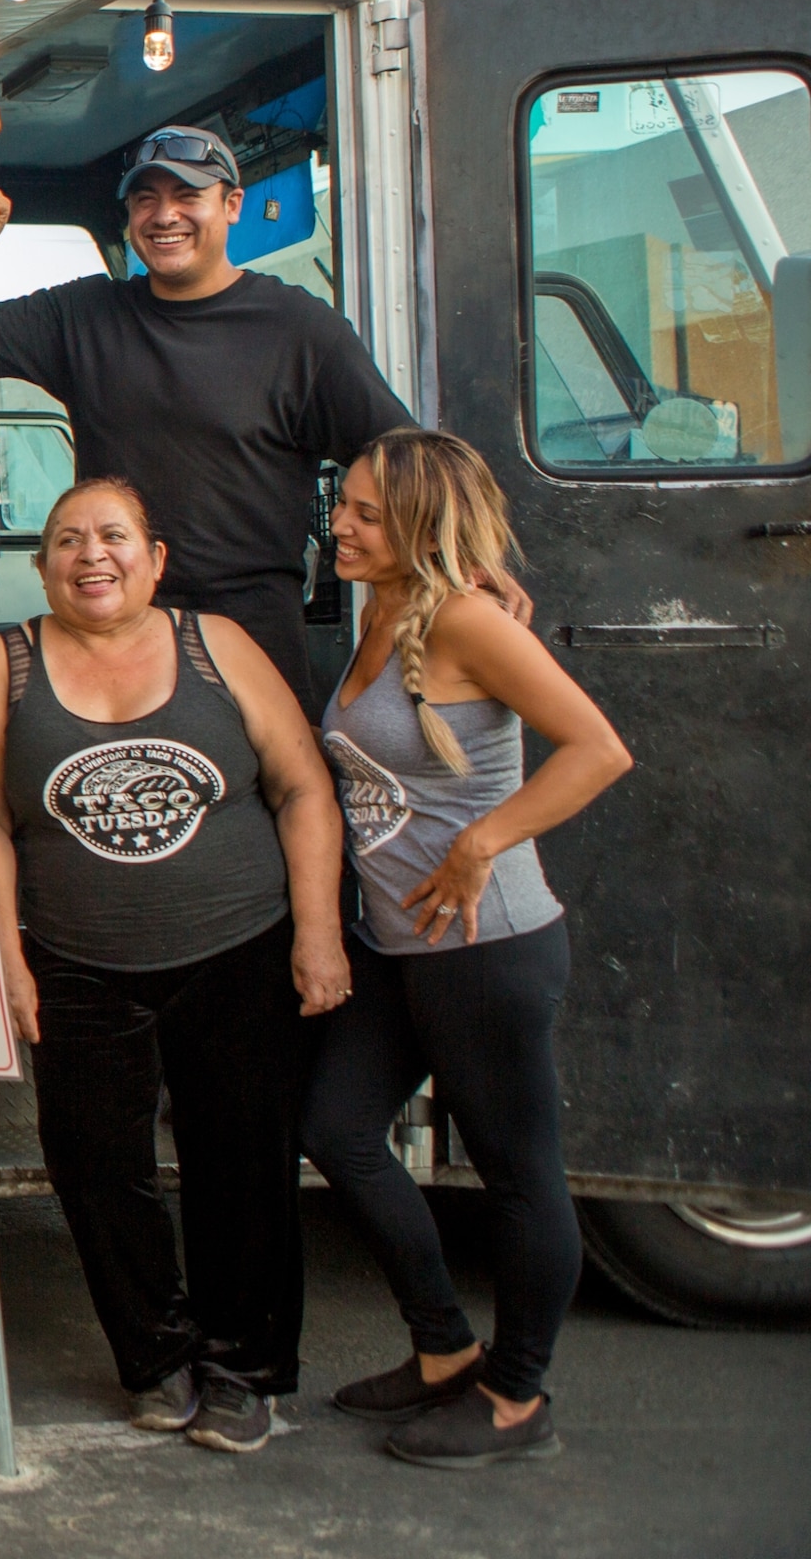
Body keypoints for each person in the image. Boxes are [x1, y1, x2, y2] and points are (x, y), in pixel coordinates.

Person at [0, 476, 350, 1454]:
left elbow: (303, 787)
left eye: (113, 535)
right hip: (77, 963)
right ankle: (155, 1356)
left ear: (155, 557)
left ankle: (245, 1369)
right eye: (67, 540)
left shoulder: (218, 646)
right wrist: (0, 953)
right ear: (40, 566)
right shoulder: (4, 663)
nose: (92, 554)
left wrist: (317, 932)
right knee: (94, 1166)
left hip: (239, 949)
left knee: (243, 1165)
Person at [299, 430, 630, 1470]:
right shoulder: (383, 606)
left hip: (486, 946)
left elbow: (598, 748)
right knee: (337, 1128)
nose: (339, 524)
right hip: (402, 944)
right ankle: (444, 1347)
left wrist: (487, 837)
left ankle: (517, 1393)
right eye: (340, 504)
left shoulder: (469, 620)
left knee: (520, 1176)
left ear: (419, 524)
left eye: (362, 512)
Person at [0, 128, 526, 713]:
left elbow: (408, 459)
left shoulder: (302, 331)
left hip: (257, 640)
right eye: (146, 199)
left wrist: (468, 560)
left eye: (187, 195)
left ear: (232, 205)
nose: (164, 215)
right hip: (117, 633)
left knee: (276, 796)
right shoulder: (86, 315)